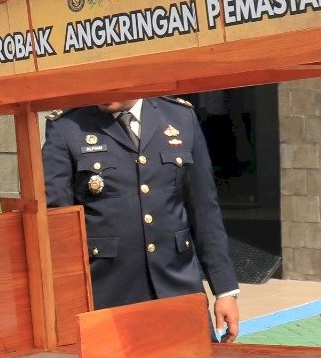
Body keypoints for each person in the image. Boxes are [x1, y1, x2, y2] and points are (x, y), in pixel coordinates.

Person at [41, 96, 241, 340]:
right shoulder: (67, 127)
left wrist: (225, 291)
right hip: (108, 295)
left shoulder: (179, 117)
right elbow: (58, 227)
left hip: (178, 290)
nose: (104, 89)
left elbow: (204, 210)